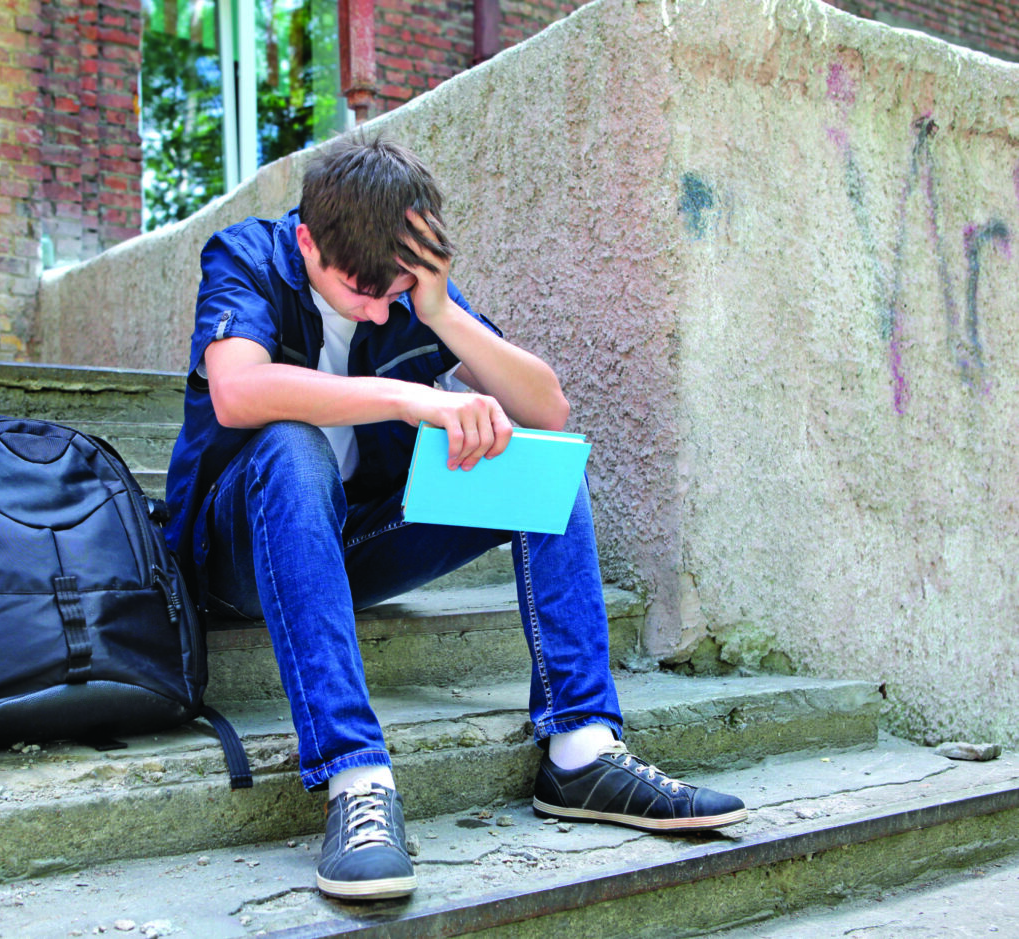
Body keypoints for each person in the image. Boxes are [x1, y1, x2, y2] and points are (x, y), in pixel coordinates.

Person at [164, 134, 746, 902]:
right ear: (307, 240)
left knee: (539, 465)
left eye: (396, 290)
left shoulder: (410, 293)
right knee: (292, 446)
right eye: (359, 291)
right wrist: (413, 397)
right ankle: (356, 780)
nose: (379, 309)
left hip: (351, 547)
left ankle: (581, 749)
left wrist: (438, 308)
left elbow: (548, 406)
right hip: (233, 556)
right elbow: (238, 390)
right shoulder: (246, 256)